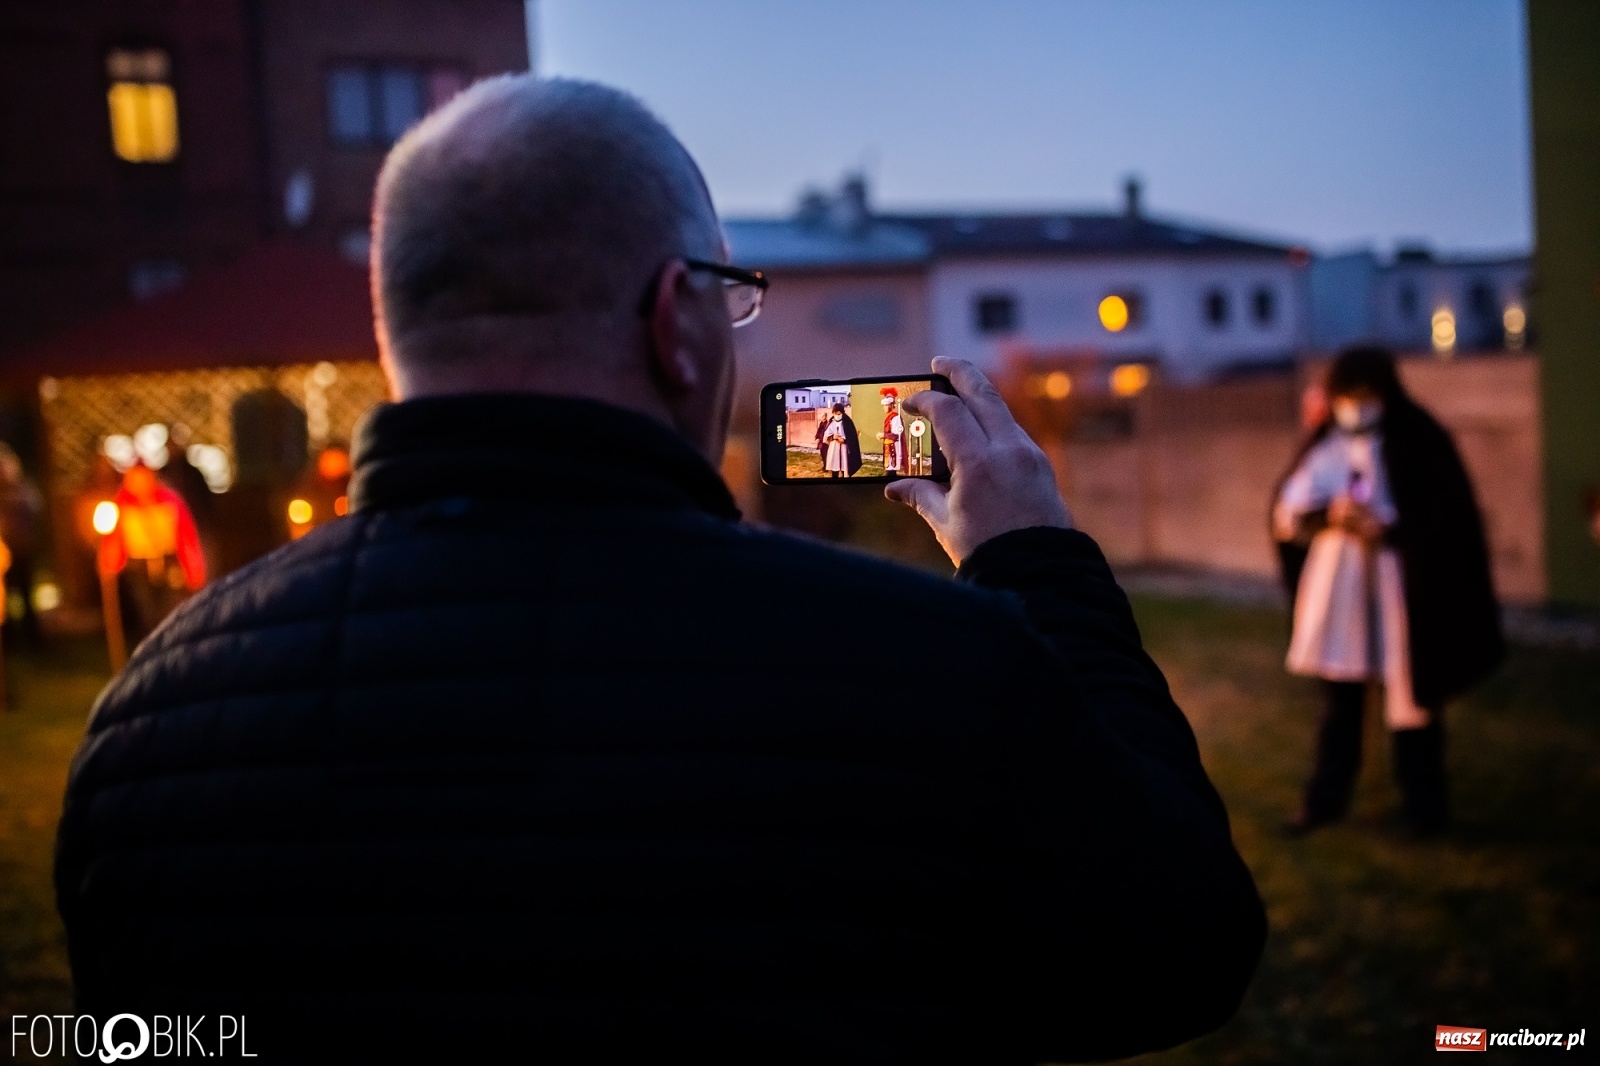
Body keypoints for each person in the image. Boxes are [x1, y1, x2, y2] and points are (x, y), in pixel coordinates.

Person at [56, 76, 1264, 1064]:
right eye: (731, 300)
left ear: (401, 331)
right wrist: (1037, 563)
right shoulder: (936, 669)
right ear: (673, 320)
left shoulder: (143, 728)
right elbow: (1183, 947)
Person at [1273, 346, 1502, 838]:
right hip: (1343, 591)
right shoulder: (1327, 447)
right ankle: (1325, 802)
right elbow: (1287, 514)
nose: (1356, 406)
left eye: (1365, 395)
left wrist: (1391, 530)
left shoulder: (1419, 441)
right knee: (1341, 707)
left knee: (1411, 704)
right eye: (1347, 396)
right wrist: (1330, 516)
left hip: (1402, 591)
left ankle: (1424, 809)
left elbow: (1444, 518)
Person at [95, 461, 207, 645]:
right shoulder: (122, 504)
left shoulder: (170, 501)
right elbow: (115, 538)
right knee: (146, 615)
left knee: (170, 613)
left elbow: (185, 535)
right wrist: (110, 561)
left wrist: (193, 569)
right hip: (139, 569)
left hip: (168, 566)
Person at [820, 401, 862, 478]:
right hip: (834, 448)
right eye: (836, 414)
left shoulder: (847, 422)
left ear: (842, 413)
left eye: (839, 414)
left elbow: (852, 437)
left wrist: (844, 440)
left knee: (844, 468)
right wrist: (833, 437)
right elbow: (825, 437)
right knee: (834, 469)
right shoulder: (831, 422)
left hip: (844, 449)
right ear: (833, 413)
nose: (837, 416)